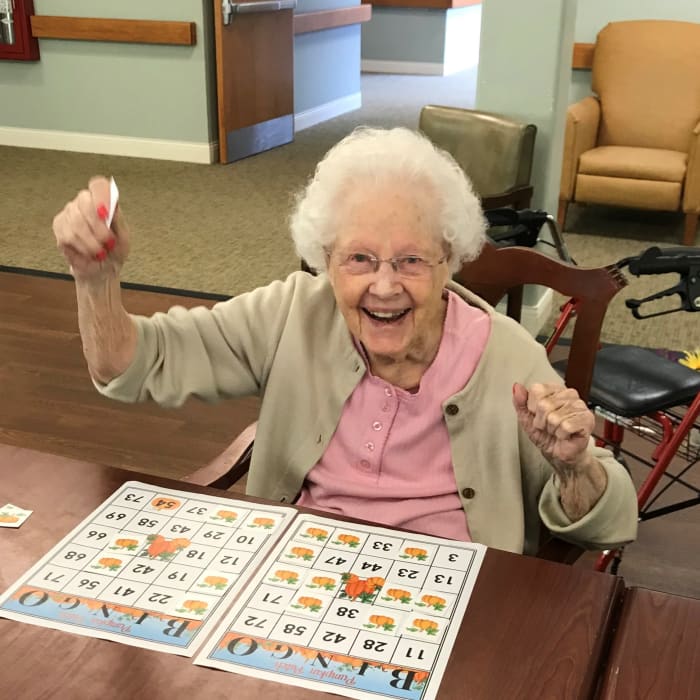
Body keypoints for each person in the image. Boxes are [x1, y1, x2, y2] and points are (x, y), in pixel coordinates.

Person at [52, 127, 638, 555]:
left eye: (411, 259)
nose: (385, 286)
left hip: (449, 600)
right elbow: (134, 367)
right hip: (296, 579)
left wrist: (574, 465)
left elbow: (607, 523)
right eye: (358, 258)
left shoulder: (506, 354)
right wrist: (96, 277)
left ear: (450, 260)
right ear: (325, 260)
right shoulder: (292, 315)